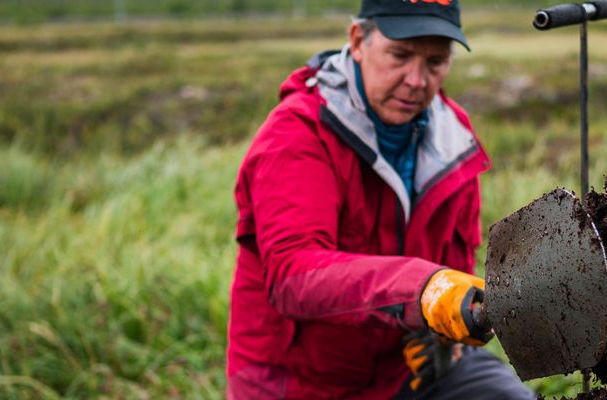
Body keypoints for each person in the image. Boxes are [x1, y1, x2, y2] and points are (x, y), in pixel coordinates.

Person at [226, 1, 533, 398]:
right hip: (298, 381)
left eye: (436, 62)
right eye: (400, 55)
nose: (417, 80)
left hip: (404, 370)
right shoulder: (298, 133)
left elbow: (455, 264)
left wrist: (449, 333)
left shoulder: (452, 139)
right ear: (357, 41)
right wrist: (421, 289)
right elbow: (293, 274)